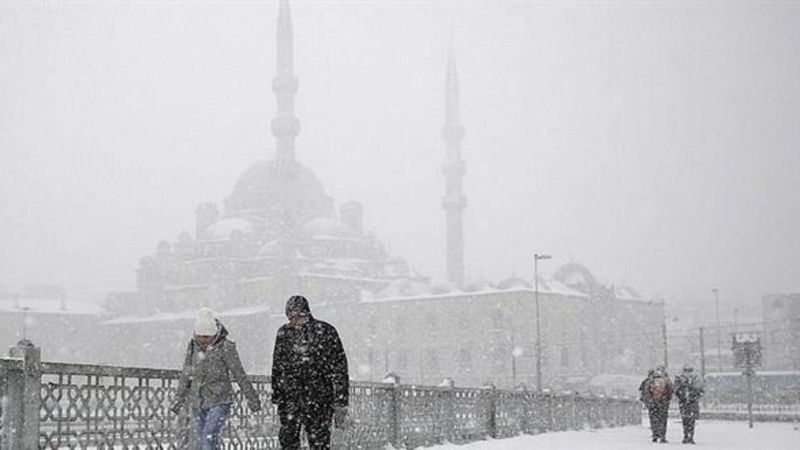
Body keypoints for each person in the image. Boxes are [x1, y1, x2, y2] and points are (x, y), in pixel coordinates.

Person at [171, 307, 261, 450]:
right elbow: (186, 374)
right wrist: (178, 399)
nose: (204, 340)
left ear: (215, 333)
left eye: (207, 337)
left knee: (209, 436)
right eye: (201, 336)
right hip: (197, 401)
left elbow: (239, 374)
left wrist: (252, 398)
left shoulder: (226, 347)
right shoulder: (193, 346)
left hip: (220, 400)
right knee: (201, 442)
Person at [271, 295, 349, 450]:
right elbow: (277, 365)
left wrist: (341, 398)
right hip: (290, 397)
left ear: (307, 313)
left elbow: (339, 367)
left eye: (299, 316)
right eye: (291, 318)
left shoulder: (326, 331)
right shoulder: (284, 333)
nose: (295, 322)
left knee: (319, 440)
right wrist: (277, 394)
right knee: (288, 440)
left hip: (319, 398)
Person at [639, 365, 673, 443]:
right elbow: (670, 391)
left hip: (652, 404)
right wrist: (666, 400)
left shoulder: (650, 380)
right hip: (663, 403)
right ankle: (662, 436)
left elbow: (645, 391)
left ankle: (655, 434)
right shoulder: (666, 380)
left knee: (653, 419)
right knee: (663, 419)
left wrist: (648, 401)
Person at [674, 365, 704, 444]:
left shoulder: (680, 378)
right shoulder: (697, 378)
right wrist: (695, 396)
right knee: (692, 420)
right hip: (693, 402)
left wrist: (681, 397)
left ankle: (686, 436)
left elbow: (676, 391)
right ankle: (691, 436)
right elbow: (701, 390)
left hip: (683, 402)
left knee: (685, 420)